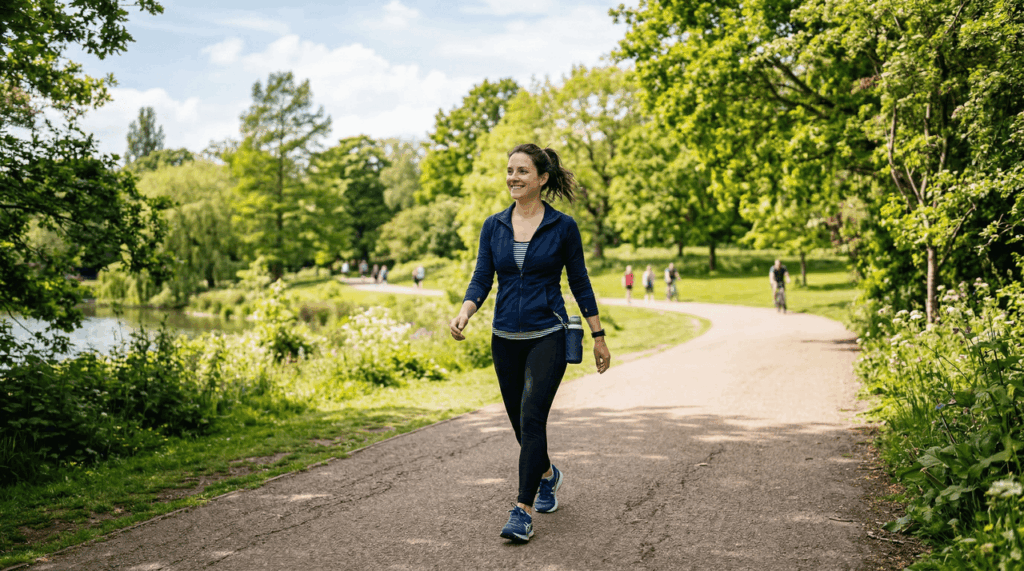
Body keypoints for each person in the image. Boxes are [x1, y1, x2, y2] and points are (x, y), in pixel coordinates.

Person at [449, 143, 611, 544]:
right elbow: (482, 276)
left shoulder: (562, 226)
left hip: (548, 333)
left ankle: (521, 511)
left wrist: (598, 336)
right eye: (509, 170)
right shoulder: (494, 225)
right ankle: (547, 475)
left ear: (541, 178)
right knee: (520, 424)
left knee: (532, 416)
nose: (513, 177)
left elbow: (579, 281)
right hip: (504, 336)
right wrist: (466, 311)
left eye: (522, 171)